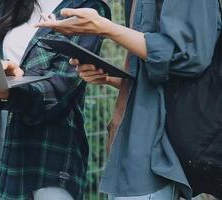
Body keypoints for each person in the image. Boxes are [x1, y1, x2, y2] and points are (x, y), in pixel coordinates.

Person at [36, 0, 221, 200]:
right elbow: (155, 64)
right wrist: (112, 77)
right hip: (132, 142)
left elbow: (188, 55)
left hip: (158, 150)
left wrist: (106, 28)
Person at [0, 0, 110, 199]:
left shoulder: (87, 8)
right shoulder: (1, 5)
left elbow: (62, 83)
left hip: (52, 143)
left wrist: (7, 90)